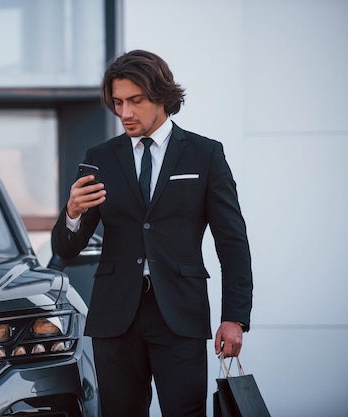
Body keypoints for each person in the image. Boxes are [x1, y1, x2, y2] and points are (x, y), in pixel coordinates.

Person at [51, 49, 253, 417]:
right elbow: (66, 249)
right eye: (117, 102)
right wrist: (73, 213)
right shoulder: (101, 156)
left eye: (135, 101)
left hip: (180, 314)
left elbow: (232, 242)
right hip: (115, 318)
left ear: (161, 96)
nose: (124, 113)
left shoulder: (205, 155)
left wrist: (235, 317)